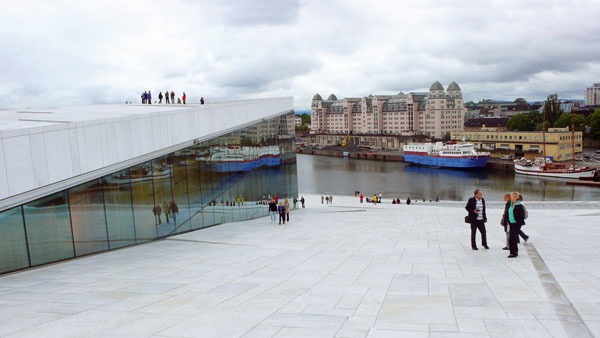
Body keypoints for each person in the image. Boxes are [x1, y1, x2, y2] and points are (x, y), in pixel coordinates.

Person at [507, 192, 526, 258]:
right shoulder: (510, 204)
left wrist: (517, 224)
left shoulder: (520, 206)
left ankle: (514, 253)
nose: (510, 197)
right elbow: (508, 213)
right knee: (511, 238)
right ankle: (513, 252)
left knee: (513, 238)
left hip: (516, 224)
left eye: (512, 196)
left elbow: (522, 217)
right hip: (511, 223)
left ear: (515, 198)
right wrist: (508, 221)